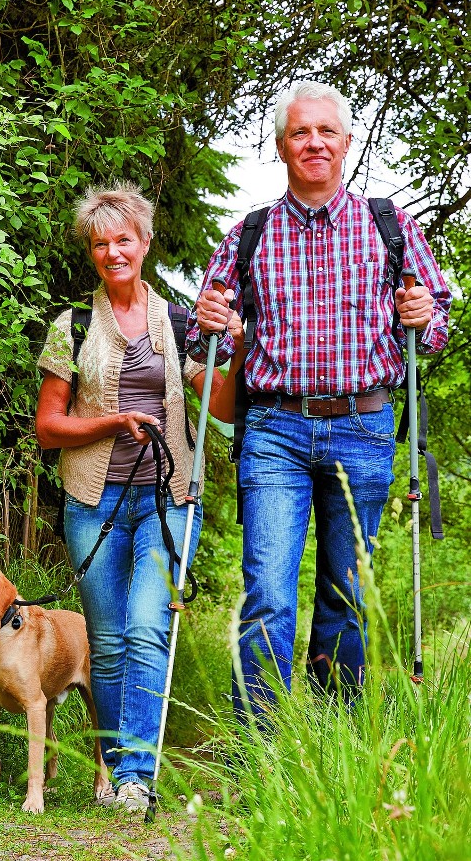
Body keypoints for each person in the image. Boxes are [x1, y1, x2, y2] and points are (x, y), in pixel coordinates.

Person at [186, 81, 452, 723]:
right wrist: (209, 317)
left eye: (326, 132)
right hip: (275, 429)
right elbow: (203, 340)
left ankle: (334, 743)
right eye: (300, 133)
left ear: (346, 143)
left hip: (363, 425)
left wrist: (424, 314)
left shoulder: (390, 226)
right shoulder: (249, 234)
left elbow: (438, 320)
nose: (314, 143)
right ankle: (260, 744)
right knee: (270, 594)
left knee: (346, 595)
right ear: (281, 146)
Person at [36, 182, 245, 811]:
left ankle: (134, 780)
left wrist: (228, 346)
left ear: (145, 243)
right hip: (91, 501)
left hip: (169, 495)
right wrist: (108, 422)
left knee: (148, 627)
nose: (112, 252)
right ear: (92, 253)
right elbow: (49, 428)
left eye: (123, 239)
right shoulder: (71, 326)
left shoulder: (182, 323)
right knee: (108, 639)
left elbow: (226, 408)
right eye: (101, 243)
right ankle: (114, 771)